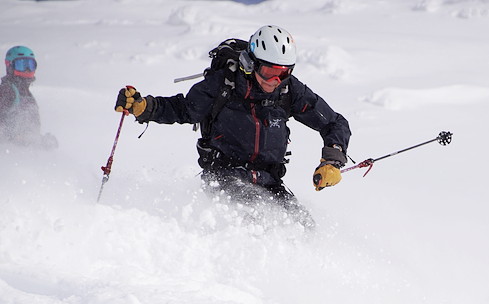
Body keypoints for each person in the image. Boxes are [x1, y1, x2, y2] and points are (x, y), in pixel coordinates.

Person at [114, 25, 351, 227]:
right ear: (252, 63)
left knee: (302, 226)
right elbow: (184, 109)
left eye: (283, 73)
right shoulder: (224, 84)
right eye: (269, 71)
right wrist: (144, 107)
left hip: (269, 180)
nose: (275, 81)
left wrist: (332, 160)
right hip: (225, 175)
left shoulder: (288, 90)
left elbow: (334, 122)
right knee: (257, 219)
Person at [0, 45, 57, 149]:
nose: (27, 70)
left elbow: (29, 131)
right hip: (10, 153)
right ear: (9, 66)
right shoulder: (6, 91)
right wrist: (15, 139)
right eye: (21, 65)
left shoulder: (27, 95)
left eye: (30, 65)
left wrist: (42, 141)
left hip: (25, 153)